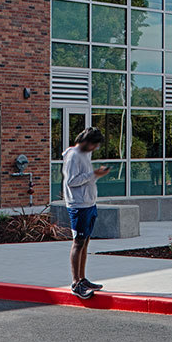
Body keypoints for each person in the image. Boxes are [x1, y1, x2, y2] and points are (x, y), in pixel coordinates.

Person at [62, 127, 109, 299]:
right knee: (78, 242)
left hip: (89, 203)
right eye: (94, 145)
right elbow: (72, 181)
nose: (95, 148)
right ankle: (76, 283)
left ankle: (82, 278)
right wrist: (93, 174)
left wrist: (96, 175)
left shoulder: (84, 155)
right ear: (87, 142)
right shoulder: (73, 156)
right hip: (78, 205)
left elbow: (86, 177)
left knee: (86, 241)